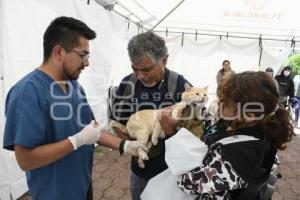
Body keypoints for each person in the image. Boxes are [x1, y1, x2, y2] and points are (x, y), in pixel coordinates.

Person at [3, 16, 146, 200]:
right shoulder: (27, 93)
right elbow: (25, 160)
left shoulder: (75, 87)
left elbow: (92, 130)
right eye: (83, 55)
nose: (86, 63)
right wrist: (75, 141)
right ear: (59, 52)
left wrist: (125, 145)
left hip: (83, 186)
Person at [160, 71, 294, 199]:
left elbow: (187, 184)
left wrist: (171, 133)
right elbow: (213, 131)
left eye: (225, 103)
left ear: (249, 115)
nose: (219, 103)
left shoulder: (238, 156)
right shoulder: (241, 123)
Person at [110, 31, 191, 200]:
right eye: (135, 69)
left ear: (164, 60)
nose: (140, 76)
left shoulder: (180, 86)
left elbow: (196, 137)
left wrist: (171, 131)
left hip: (173, 175)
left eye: (146, 69)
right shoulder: (127, 84)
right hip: (141, 174)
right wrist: (132, 144)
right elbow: (117, 123)